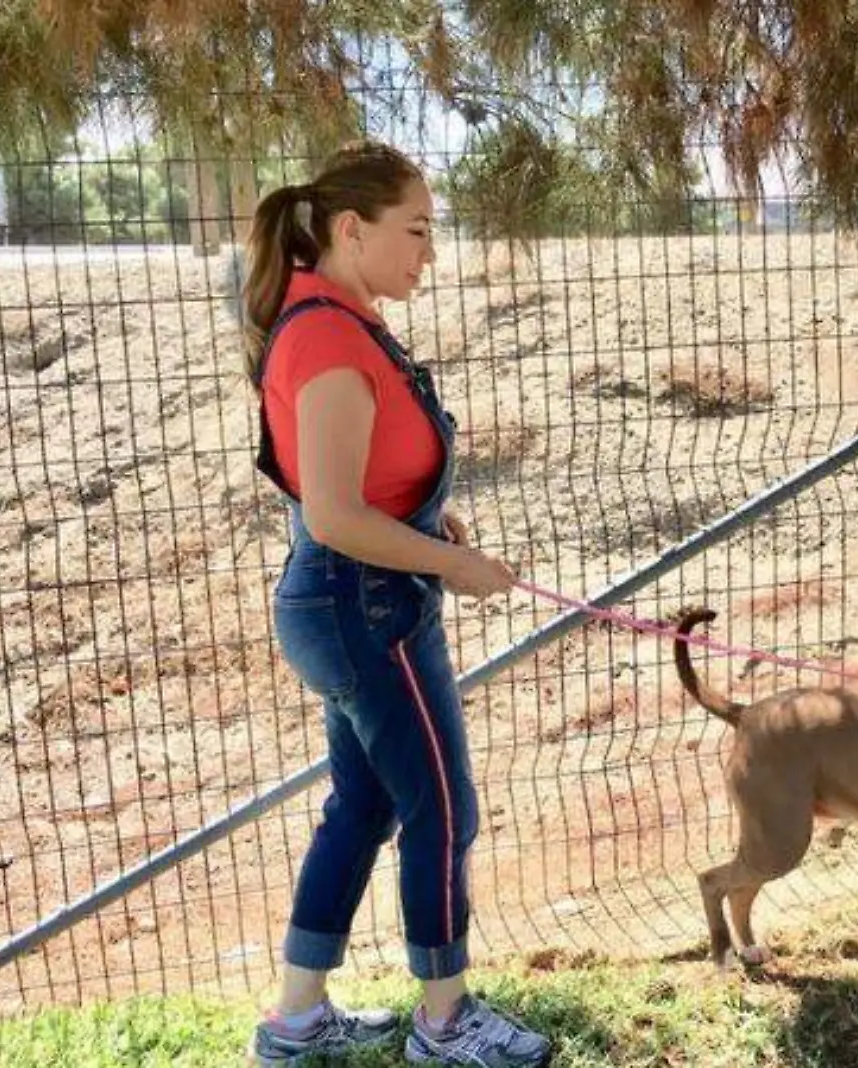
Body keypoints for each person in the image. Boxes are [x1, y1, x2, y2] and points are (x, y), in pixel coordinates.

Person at [241, 141, 551, 1068]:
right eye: (414, 230)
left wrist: (432, 518)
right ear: (349, 229)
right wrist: (449, 567)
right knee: (445, 807)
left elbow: (357, 479)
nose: (428, 251)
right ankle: (445, 1019)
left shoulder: (337, 318)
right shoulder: (329, 338)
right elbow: (334, 515)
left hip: (356, 600)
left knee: (366, 805)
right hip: (366, 607)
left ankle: (295, 1022)